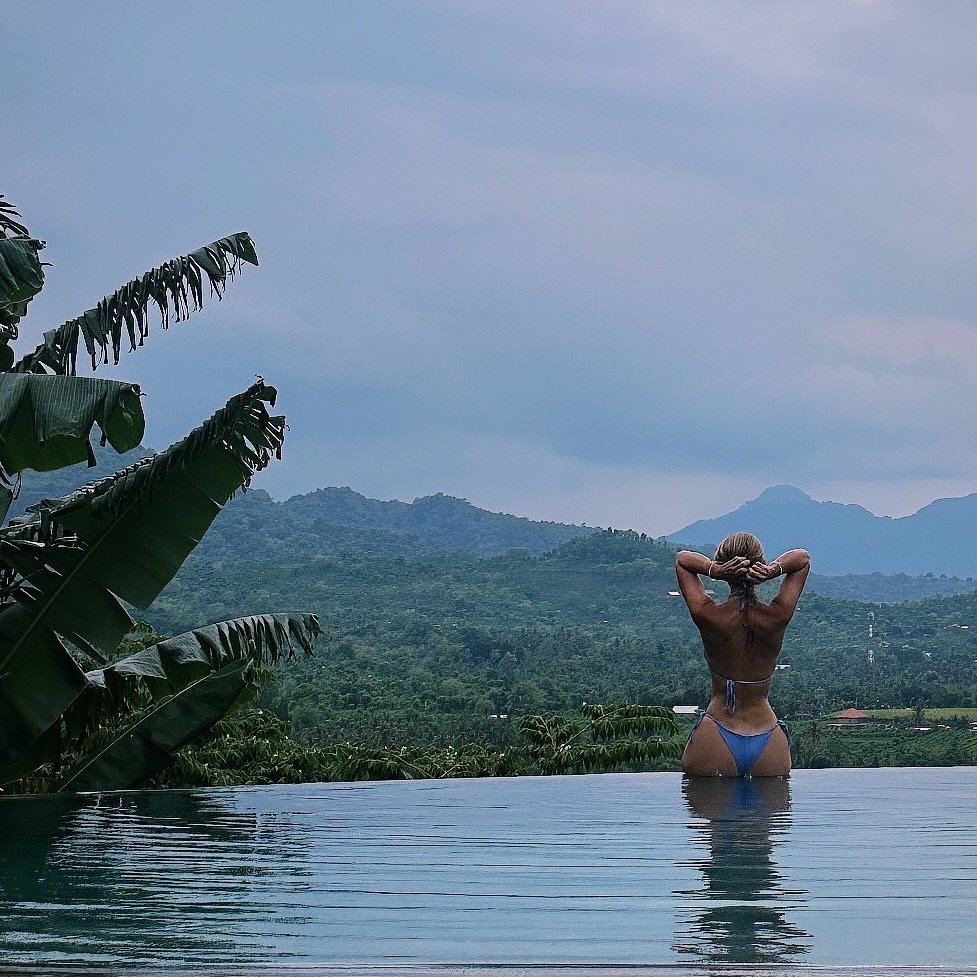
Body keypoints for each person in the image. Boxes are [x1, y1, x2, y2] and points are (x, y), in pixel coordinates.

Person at [675, 533, 810, 777]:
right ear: (760, 563)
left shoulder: (709, 616)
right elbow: (802, 559)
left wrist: (714, 570)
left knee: (706, 799)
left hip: (716, 730)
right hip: (768, 736)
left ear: (724, 565)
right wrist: (773, 570)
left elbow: (682, 560)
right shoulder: (776, 616)